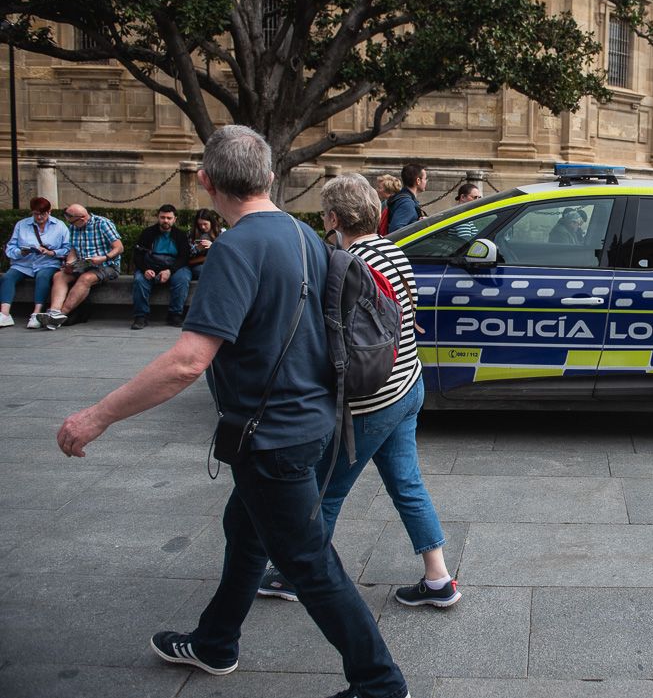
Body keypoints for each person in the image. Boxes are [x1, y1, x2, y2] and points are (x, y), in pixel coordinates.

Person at [53, 126, 412, 698]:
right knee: (245, 530)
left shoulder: (235, 249)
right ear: (270, 177)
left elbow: (186, 362)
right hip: (311, 422)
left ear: (203, 181)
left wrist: (95, 417)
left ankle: (380, 685)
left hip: (274, 437)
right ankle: (216, 641)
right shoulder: (304, 235)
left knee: (309, 564)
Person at [258, 174, 458, 610]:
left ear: (332, 218)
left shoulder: (344, 264)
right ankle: (438, 578)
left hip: (372, 399)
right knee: (407, 483)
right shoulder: (391, 250)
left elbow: (333, 337)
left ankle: (297, 575)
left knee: (324, 489)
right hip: (408, 383)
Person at [35, 204, 123, 330]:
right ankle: (53, 311)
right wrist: (70, 263)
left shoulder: (103, 223)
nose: (71, 224)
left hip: (107, 265)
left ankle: (61, 314)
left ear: (82, 219)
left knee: (86, 278)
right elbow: (72, 250)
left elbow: (119, 247)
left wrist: (104, 258)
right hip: (83, 264)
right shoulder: (73, 226)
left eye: (72, 222)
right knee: (60, 276)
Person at [1, 196, 70, 329]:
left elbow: (67, 248)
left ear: (49, 212)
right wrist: (21, 252)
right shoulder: (22, 225)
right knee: (7, 277)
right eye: (36, 214)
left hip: (48, 262)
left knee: (43, 277)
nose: (39, 217)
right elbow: (11, 247)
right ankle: (4, 314)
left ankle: (36, 313)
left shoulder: (60, 226)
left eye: (43, 214)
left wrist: (52, 253)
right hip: (23, 263)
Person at [131, 204, 192, 329]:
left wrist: (170, 271)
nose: (165, 221)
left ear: (174, 219)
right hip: (150, 264)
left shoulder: (180, 235)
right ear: (158, 217)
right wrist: (145, 269)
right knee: (139, 280)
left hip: (174, 266)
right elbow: (137, 255)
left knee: (183, 279)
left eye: (169, 218)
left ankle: (175, 314)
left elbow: (184, 257)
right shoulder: (147, 233)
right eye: (162, 217)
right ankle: (141, 316)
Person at [385, 164, 426, 234]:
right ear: (418, 181)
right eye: (425, 178)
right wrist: (419, 226)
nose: (426, 182)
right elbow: (395, 231)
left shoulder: (404, 198)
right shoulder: (407, 203)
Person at [188, 208, 222, 278]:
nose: (202, 227)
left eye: (205, 224)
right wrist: (197, 249)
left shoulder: (220, 233)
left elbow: (226, 252)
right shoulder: (191, 234)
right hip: (198, 265)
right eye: (200, 224)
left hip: (217, 263)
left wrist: (213, 246)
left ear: (211, 222)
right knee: (205, 271)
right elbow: (186, 256)